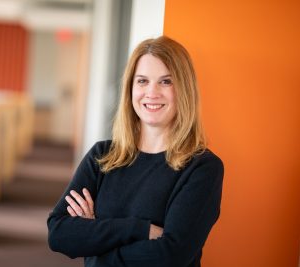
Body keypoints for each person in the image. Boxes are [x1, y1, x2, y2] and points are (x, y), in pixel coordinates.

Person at [47, 36, 224, 267]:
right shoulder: (103, 156)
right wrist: (139, 229)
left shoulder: (202, 168)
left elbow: (170, 256)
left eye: (166, 81)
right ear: (131, 88)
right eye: (142, 81)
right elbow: (59, 233)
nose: (152, 92)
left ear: (184, 89)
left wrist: (95, 238)